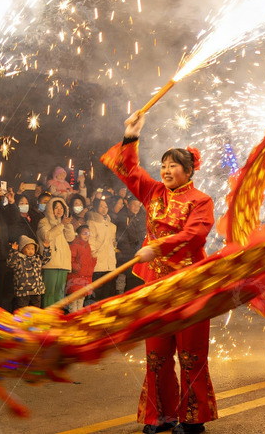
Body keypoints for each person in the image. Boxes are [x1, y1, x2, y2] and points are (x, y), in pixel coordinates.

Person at [102, 111, 217, 434]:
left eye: (173, 166)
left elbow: (196, 235)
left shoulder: (201, 200)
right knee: (156, 354)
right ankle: (161, 415)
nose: (165, 171)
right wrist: (131, 135)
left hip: (188, 288)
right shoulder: (154, 192)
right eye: (163, 165)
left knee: (191, 354)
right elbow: (128, 169)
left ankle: (193, 418)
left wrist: (159, 247)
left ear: (189, 171)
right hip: (155, 286)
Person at [37, 197, 76, 307]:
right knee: (49, 292)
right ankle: (47, 316)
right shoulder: (44, 222)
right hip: (50, 263)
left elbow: (70, 238)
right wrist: (62, 225)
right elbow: (46, 237)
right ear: (50, 209)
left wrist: (67, 225)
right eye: (56, 208)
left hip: (63, 263)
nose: (59, 210)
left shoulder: (62, 222)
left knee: (59, 293)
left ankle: (57, 315)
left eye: (61, 208)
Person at [7, 235, 50, 310]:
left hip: (36, 290)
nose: (31, 251)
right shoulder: (18, 259)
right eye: (28, 248)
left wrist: (46, 249)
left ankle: (35, 321)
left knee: (36, 309)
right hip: (22, 291)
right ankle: (20, 321)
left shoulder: (37, 259)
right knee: (21, 309)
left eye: (33, 249)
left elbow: (46, 259)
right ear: (22, 248)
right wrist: (13, 251)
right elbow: (10, 263)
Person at [87, 197, 117, 302]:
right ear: (95, 207)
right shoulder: (91, 223)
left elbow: (112, 242)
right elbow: (91, 241)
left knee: (109, 294)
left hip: (110, 263)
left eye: (106, 206)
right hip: (98, 265)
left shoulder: (111, 225)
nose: (104, 209)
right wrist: (94, 256)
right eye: (101, 206)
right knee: (99, 294)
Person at [115, 195, 146, 294]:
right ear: (128, 205)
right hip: (126, 255)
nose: (136, 207)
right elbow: (124, 237)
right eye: (134, 205)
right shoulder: (123, 217)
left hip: (139, 253)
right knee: (126, 280)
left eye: (138, 205)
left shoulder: (142, 217)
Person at [66, 225, 95, 312]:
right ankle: (73, 318)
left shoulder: (88, 246)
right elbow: (70, 258)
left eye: (88, 233)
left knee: (81, 301)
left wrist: (94, 260)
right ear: (78, 235)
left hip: (85, 278)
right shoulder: (75, 245)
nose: (86, 236)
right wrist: (74, 266)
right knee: (74, 301)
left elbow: (89, 263)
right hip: (75, 277)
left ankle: (79, 317)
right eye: (84, 233)